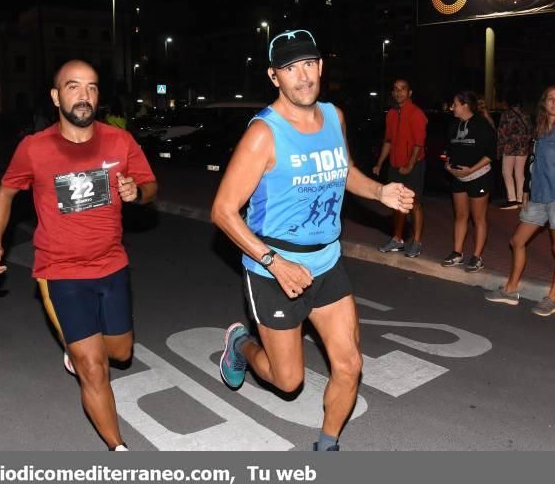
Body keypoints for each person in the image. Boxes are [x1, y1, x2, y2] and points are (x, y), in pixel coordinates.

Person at [211, 29, 414, 451]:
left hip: (327, 263)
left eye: (309, 64)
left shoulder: (334, 116)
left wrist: (379, 191)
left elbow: (343, 171)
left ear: (320, 67)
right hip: (274, 271)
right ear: (274, 77)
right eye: (290, 68)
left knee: (350, 364)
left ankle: (327, 446)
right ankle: (239, 345)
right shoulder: (263, 134)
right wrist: (274, 262)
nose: (302, 76)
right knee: (288, 381)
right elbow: (223, 212)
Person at [0, 59, 157, 450]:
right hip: (60, 271)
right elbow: (5, 191)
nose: (84, 96)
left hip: (112, 265)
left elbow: (149, 186)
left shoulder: (119, 141)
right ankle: (119, 449)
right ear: (56, 96)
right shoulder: (34, 148)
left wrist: (137, 193)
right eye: (73, 87)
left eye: (92, 87)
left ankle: (79, 349)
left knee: (120, 353)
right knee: (93, 369)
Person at [486, 85, 555, 315]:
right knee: (517, 241)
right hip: (539, 197)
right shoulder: (538, 129)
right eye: (551, 99)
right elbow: (533, 162)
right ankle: (510, 290)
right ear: (544, 102)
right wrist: (527, 190)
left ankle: (552, 299)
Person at [441, 91, 496, 272]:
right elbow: (449, 149)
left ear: (465, 105)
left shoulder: (482, 125)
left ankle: (476, 257)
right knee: (460, 215)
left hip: (478, 176)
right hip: (458, 177)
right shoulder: (453, 124)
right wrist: (448, 164)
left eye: (454, 104)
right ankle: (457, 253)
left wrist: (471, 170)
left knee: (478, 217)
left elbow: (490, 155)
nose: (452, 108)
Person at [373, 78, 428, 257]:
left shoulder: (416, 113)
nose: (399, 92)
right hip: (396, 165)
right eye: (396, 89)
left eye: (403, 89)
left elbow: (418, 144)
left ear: (409, 92)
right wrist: (380, 163)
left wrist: (410, 165)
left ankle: (417, 242)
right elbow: (388, 141)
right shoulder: (391, 113)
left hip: (414, 165)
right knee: (397, 204)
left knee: (415, 204)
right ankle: (397, 240)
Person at [497, 97, 533, 209]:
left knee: (507, 172)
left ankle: (511, 200)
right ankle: (521, 199)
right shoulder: (526, 115)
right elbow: (531, 130)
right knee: (520, 173)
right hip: (523, 147)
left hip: (509, 147)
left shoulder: (506, 115)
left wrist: (500, 147)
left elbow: (502, 132)